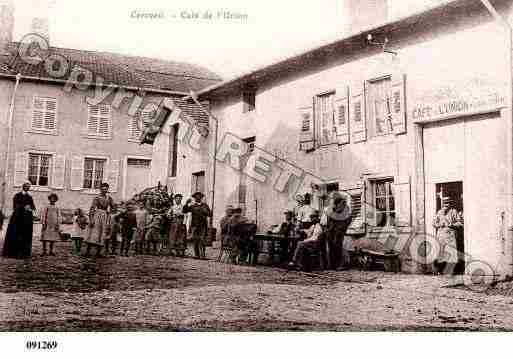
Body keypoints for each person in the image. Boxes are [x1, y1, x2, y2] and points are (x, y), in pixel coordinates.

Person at [2, 180, 36, 259]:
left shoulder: (30, 197)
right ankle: (13, 253)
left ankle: (24, 253)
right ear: (23, 186)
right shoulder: (17, 195)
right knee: (16, 234)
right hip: (17, 219)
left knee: (25, 235)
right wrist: (24, 207)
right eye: (26, 185)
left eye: (29, 186)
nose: (27, 187)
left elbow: (33, 207)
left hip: (27, 220)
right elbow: (15, 206)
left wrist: (30, 208)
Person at [322, 191, 352, 270]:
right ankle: (332, 265)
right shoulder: (333, 211)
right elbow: (329, 221)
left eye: (343, 204)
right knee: (331, 247)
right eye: (340, 204)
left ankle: (340, 265)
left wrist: (341, 229)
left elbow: (347, 221)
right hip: (331, 232)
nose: (342, 205)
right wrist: (328, 229)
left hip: (340, 232)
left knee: (338, 247)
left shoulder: (346, 212)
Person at [433, 197, 463, 275]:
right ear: (442, 204)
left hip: (450, 235)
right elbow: (434, 223)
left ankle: (451, 270)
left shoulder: (454, 211)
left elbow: (460, 223)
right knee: (441, 253)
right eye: (445, 203)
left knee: (451, 253)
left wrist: (452, 225)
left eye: (448, 203)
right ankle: (440, 270)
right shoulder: (439, 212)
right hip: (441, 235)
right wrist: (439, 224)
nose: (446, 205)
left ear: (450, 204)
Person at [85, 182, 115, 257]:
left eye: (106, 189)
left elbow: (113, 207)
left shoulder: (109, 198)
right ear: (100, 189)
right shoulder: (97, 198)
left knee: (102, 233)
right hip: (97, 215)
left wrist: (109, 212)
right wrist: (91, 219)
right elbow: (92, 208)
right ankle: (87, 251)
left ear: (107, 189)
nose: (104, 190)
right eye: (103, 189)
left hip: (105, 216)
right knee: (93, 232)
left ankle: (98, 252)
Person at [183, 191, 211, 259]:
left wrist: (205, 212)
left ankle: (203, 254)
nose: (197, 198)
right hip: (194, 225)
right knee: (195, 239)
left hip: (203, 225)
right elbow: (185, 211)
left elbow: (210, 214)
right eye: (196, 197)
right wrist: (186, 203)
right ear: (194, 198)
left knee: (202, 240)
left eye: (199, 196)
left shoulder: (205, 205)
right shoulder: (192, 206)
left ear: (201, 198)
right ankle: (196, 254)